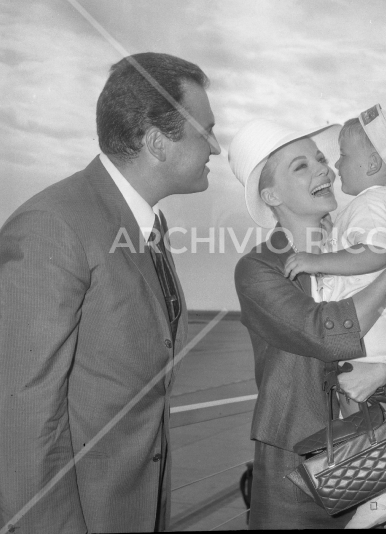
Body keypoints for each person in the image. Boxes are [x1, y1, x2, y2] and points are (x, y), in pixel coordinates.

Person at [0, 53, 220, 534]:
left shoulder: (147, 226)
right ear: (158, 142)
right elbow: (21, 413)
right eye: (206, 131)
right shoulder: (53, 225)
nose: (217, 148)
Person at [228, 118, 386, 529]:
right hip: (300, 473)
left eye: (321, 158)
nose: (324, 169)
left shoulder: (356, 244)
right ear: (271, 195)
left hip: (381, 466)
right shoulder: (259, 269)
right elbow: (327, 333)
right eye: (300, 166)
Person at [282, 105, 386, 529]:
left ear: (371, 163)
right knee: (379, 400)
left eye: (341, 155)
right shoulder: (385, 200)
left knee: (361, 403)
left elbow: (373, 254)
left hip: (377, 325)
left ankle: (377, 494)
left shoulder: (372, 200)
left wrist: (316, 260)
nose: (335, 165)